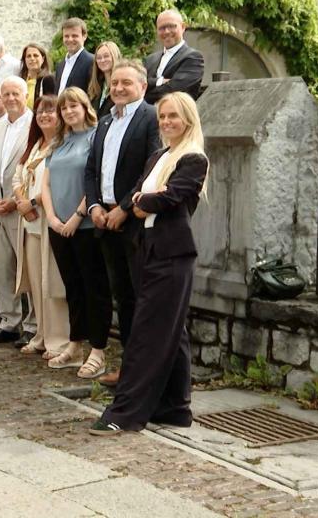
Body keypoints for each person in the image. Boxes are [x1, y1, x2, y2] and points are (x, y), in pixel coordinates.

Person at [89, 92, 209, 435]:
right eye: (163, 117)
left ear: (188, 119)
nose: (167, 122)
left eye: (174, 116)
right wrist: (141, 200)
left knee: (146, 335)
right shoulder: (160, 156)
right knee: (172, 332)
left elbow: (170, 197)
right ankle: (175, 408)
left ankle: (124, 413)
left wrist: (144, 200)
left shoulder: (193, 158)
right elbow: (139, 193)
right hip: (148, 250)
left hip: (172, 255)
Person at [84, 59, 161, 386]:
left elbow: (151, 168)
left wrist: (124, 208)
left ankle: (145, 371)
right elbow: (91, 169)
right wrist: (94, 206)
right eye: (114, 83)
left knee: (142, 297)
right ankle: (129, 367)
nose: (118, 88)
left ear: (142, 86)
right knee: (123, 298)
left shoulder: (151, 118)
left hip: (134, 223)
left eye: (126, 83)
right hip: (104, 221)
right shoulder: (104, 122)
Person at [42, 87, 112, 378]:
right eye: (64, 108)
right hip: (58, 227)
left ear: (85, 107)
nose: (69, 111)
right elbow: (46, 184)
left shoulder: (97, 137)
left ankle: (98, 351)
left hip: (84, 226)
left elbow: (97, 179)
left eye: (74, 106)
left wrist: (77, 216)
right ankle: (75, 345)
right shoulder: (59, 141)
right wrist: (52, 217)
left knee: (94, 289)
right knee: (72, 287)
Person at [11, 94, 70, 357]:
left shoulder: (62, 145)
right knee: (36, 284)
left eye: (50, 111)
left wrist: (32, 203)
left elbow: (56, 183)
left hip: (48, 220)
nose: (44, 116)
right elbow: (17, 177)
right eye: (40, 112)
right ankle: (41, 335)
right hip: (29, 223)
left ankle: (58, 340)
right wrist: (21, 201)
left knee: (52, 284)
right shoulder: (34, 145)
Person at [0, 76, 35, 345]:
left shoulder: (35, 124)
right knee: (2, 270)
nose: (11, 98)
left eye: (16, 93)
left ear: (25, 95)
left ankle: (33, 325)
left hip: (22, 208)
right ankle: (9, 322)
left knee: (29, 271)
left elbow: (35, 169)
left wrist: (16, 200)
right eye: (6, 94)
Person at [144, 9, 205, 104]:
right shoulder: (149, 60)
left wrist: (142, 98)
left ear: (183, 27)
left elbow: (174, 89)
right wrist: (159, 81)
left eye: (171, 26)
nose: (167, 31)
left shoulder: (193, 58)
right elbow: (137, 84)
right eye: (161, 28)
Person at [54, 17, 94, 94]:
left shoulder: (91, 62)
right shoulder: (60, 65)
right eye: (66, 36)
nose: (70, 39)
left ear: (84, 36)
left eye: (74, 36)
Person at [86, 41, 122, 119]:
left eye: (106, 56)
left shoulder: (121, 86)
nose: (102, 60)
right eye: (99, 58)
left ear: (114, 57)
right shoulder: (96, 86)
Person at [18, 43, 56, 110]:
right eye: (28, 56)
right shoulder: (21, 81)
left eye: (35, 55)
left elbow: (51, 105)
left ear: (43, 59)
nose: (32, 58)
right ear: (25, 60)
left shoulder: (48, 80)